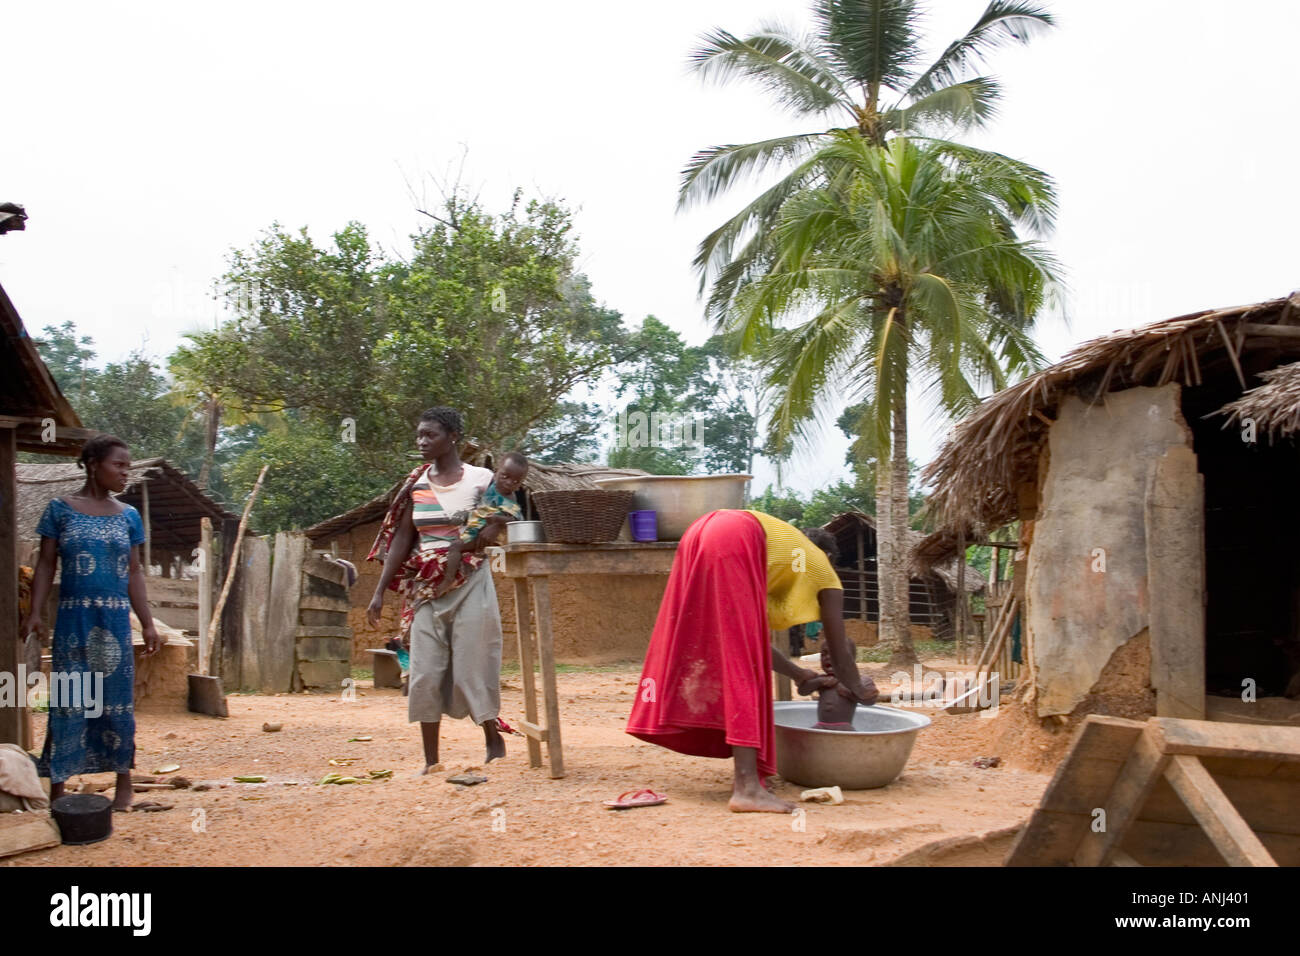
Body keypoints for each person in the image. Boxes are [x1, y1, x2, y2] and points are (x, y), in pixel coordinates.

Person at [626, 510, 878, 812]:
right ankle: (747, 788)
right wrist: (859, 687)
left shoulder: (773, 561)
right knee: (741, 669)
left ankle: (750, 780)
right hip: (732, 532)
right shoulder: (822, 568)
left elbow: (748, 641)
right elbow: (839, 650)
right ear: (825, 556)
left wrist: (797, 674)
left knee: (733, 652)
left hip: (699, 531)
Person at [19, 435, 162, 811]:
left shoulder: (128, 516)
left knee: (117, 701)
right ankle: (59, 790)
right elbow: (47, 564)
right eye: (119, 465)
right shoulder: (60, 510)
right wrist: (35, 612)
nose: (125, 473)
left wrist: (147, 623)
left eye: (128, 466)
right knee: (70, 699)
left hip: (114, 619)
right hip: (73, 618)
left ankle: (124, 785)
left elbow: (133, 571)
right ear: (94, 463)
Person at [365, 407, 508, 771]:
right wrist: (380, 591)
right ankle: (431, 761)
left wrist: (493, 527)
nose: (422, 442)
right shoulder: (416, 483)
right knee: (424, 672)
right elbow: (402, 538)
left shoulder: (480, 478)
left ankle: (492, 738)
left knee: (472, 665)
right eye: (419, 435)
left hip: (470, 581)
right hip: (425, 588)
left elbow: (504, 511)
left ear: (453, 437)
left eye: (430, 435)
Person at [432, 452, 528, 599]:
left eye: (516, 482)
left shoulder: (510, 498)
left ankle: (449, 579)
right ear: (496, 471)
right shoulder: (487, 485)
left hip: (486, 537)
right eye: (505, 476)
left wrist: (497, 520)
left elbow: (515, 520)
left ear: (520, 484)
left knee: (456, 546)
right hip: (475, 526)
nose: (509, 483)